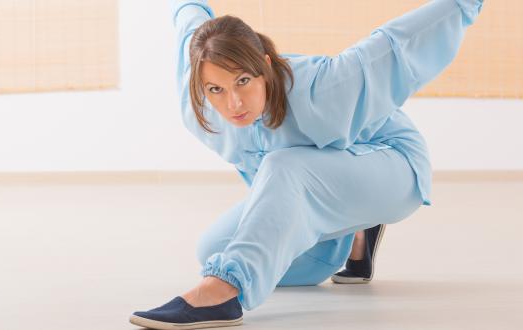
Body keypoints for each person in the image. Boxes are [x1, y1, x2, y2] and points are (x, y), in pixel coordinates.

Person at [130, 0, 484, 329]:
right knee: (211, 249)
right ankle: (352, 236)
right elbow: (188, 16)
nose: (234, 102)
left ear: (264, 66)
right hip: (321, 183)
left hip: (392, 166)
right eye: (216, 89)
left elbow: (397, 43)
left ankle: (224, 291)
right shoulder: (199, 101)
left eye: (243, 81)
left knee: (283, 166)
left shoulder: (320, 85)